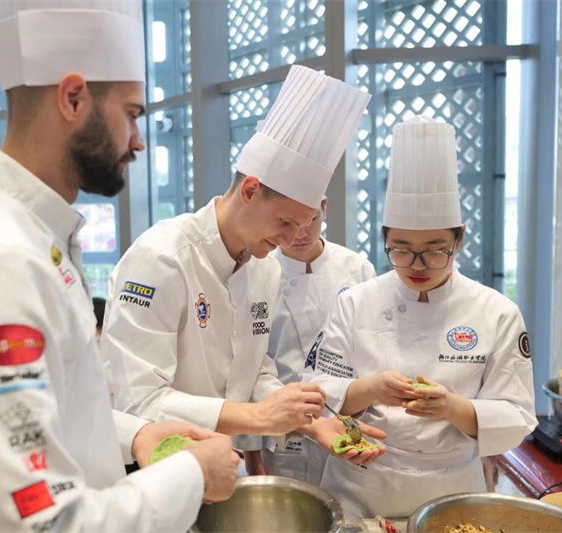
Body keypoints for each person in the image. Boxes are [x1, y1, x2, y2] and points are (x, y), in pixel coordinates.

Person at [0, 1, 239, 531]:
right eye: (131, 114)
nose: (138, 140)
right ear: (72, 98)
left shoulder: (29, 236)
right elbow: (38, 522)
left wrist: (134, 436)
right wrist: (191, 475)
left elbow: (37, 412)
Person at [102, 65, 384, 475]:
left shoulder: (263, 269)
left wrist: (311, 422)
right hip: (145, 468)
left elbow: (254, 372)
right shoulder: (161, 258)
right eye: (285, 223)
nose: (291, 240)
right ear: (250, 190)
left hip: (213, 461)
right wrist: (257, 417)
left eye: (305, 225)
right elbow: (139, 401)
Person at [307, 115, 536, 520]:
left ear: (459, 238)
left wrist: (451, 407)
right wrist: (372, 388)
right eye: (400, 249)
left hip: (450, 488)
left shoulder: (497, 312)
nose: (417, 265)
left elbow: (516, 415)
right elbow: (319, 391)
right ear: (384, 239)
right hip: (360, 483)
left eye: (434, 249)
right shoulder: (355, 302)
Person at [261, 196, 376, 484]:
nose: (299, 233)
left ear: (325, 207)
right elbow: (247, 368)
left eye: (310, 220)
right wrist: (250, 447)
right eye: (287, 223)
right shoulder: (258, 271)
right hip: (285, 429)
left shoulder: (358, 268)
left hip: (350, 421)